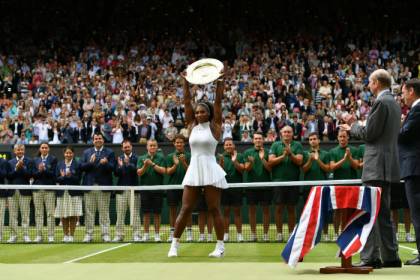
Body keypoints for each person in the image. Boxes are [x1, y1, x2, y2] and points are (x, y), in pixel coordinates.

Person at [341, 69, 402, 268]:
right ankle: (391, 257)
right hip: (388, 165)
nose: (368, 85)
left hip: (376, 166)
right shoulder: (394, 103)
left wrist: (353, 125)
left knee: (369, 212)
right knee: (383, 213)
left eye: (370, 82)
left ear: (376, 83)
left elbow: (369, 134)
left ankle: (370, 258)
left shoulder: (381, 102)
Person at [168, 73, 227, 258]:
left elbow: (218, 101)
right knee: (185, 209)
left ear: (209, 113)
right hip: (194, 169)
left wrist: (219, 82)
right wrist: (185, 82)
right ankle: (174, 246)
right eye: (198, 112)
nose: (199, 113)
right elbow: (186, 102)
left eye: (203, 111)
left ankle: (220, 247)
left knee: (214, 208)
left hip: (210, 168)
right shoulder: (191, 125)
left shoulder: (215, 126)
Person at [398, 78, 420, 265]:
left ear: (411, 90)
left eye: (403, 91)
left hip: (415, 168)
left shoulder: (418, 109)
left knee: (418, 213)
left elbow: (404, 134)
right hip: (414, 168)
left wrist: (398, 127)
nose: (402, 96)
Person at [269, 125, 303, 242]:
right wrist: (283, 155)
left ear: (292, 134)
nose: (287, 134)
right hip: (278, 182)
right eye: (285, 132)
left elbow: (299, 161)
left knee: (291, 209)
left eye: (289, 132)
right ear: (281, 134)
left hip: (293, 182)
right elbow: (271, 161)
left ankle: (291, 233)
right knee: (278, 208)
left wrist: (290, 154)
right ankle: (279, 233)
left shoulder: (297, 145)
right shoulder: (275, 145)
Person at [80, 133, 116, 242]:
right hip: (89, 186)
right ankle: (88, 235)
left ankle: (105, 234)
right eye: (96, 139)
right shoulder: (86, 152)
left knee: (104, 212)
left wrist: (106, 163)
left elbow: (113, 168)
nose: (98, 140)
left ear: (103, 140)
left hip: (103, 186)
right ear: (93, 140)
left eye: (100, 138)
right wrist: (90, 162)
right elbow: (82, 167)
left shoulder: (110, 152)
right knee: (89, 212)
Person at [329, 129, 360, 240]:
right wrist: (344, 159)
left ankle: (346, 233)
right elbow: (332, 167)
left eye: (344, 137)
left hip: (351, 185)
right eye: (340, 137)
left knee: (349, 210)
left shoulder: (355, 150)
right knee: (337, 210)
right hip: (338, 185)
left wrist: (349, 157)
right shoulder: (333, 151)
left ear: (348, 138)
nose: (342, 139)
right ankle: (336, 233)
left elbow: (357, 166)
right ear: (337, 138)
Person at [243, 132, 272, 241]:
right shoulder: (247, 152)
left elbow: (270, 169)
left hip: (266, 186)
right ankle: (253, 234)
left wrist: (262, 159)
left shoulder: (269, 152)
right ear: (253, 140)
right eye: (256, 139)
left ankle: (265, 235)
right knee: (252, 211)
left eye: (260, 138)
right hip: (252, 186)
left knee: (266, 211)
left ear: (263, 140)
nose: (258, 140)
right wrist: (251, 162)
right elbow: (246, 169)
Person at [301, 132, 331, 240]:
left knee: (324, 211)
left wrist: (317, 160)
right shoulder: (305, 154)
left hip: (322, 187)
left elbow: (327, 169)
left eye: (314, 139)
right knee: (309, 213)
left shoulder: (325, 154)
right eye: (310, 139)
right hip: (308, 187)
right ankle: (310, 235)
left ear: (318, 141)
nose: (312, 141)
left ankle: (326, 234)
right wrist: (310, 159)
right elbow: (304, 169)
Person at [137, 139, 166, 242]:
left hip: (158, 190)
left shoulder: (161, 158)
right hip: (145, 189)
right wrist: (145, 165)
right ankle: (146, 234)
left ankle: (157, 235)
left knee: (157, 213)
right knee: (146, 213)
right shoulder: (141, 158)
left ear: (157, 147)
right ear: (147, 147)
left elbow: (163, 171)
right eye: (151, 146)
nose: (153, 147)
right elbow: (139, 173)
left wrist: (152, 164)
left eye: (154, 146)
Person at [165, 134, 192, 242]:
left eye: (181, 142)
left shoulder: (189, 155)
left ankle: (189, 233)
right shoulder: (169, 156)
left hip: (187, 186)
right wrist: (176, 164)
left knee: (187, 211)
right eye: (177, 142)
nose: (179, 144)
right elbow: (168, 172)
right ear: (174, 144)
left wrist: (184, 162)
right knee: (173, 210)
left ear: (184, 144)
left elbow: (191, 171)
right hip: (173, 186)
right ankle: (172, 232)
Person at [114, 139, 141, 242]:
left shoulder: (136, 158)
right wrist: (121, 166)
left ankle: (137, 235)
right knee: (120, 214)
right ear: (122, 148)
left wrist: (128, 164)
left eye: (128, 146)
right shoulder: (119, 158)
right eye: (124, 147)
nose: (126, 148)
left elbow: (136, 170)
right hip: (121, 191)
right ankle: (119, 235)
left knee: (135, 214)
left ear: (131, 147)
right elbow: (116, 173)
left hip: (133, 190)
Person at [219, 138, 245, 242]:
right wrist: (221, 162)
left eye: (230, 144)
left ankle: (239, 234)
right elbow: (218, 173)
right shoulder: (221, 157)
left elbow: (242, 169)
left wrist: (235, 161)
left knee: (237, 212)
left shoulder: (240, 156)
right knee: (226, 212)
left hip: (237, 188)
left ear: (234, 146)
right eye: (226, 145)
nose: (228, 146)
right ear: (224, 147)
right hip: (224, 188)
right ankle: (226, 234)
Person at [6, 143, 33, 243]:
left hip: (25, 192)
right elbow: (8, 177)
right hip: (12, 192)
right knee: (13, 215)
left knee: (25, 215)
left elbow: (30, 175)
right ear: (14, 151)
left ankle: (26, 235)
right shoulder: (10, 162)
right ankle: (13, 235)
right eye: (18, 150)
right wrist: (16, 169)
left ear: (24, 151)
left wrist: (23, 168)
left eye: (21, 150)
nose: (20, 151)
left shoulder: (29, 161)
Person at [55, 146, 83, 242]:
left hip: (74, 193)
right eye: (67, 153)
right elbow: (56, 178)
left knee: (73, 215)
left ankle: (71, 235)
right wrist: (62, 177)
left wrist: (70, 176)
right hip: (62, 193)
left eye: (70, 153)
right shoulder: (59, 164)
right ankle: (65, 235)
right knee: (64, 215)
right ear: (64, 154)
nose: (68, 154)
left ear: (73, 154)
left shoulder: (77, 164)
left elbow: (78, 179)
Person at [32, 142, 58, 243]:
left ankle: (51, 235)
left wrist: (44, 170)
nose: (44, 149)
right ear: (40, 149)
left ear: (48, 149)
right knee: (38, 213)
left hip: (49, 189)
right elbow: (33, 174)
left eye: (46, 147)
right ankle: (39, 235)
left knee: (50, 213)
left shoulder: (53, 159)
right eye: (42, 147)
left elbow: (54, 174)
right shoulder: (35, 160)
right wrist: (39, 171)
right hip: (37, 189)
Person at [0, 156, 8, 242]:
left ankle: (0, 235)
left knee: (1, 216)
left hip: (0, 193)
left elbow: (4, 175)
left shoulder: (3, 162)